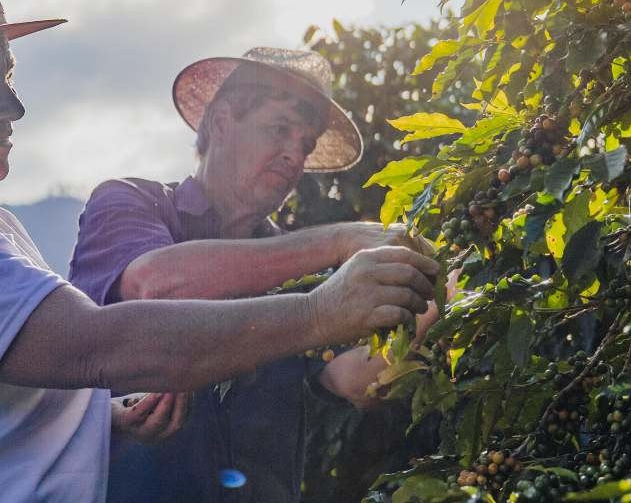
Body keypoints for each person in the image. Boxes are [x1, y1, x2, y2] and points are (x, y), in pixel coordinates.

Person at [0, 0, 438, 503]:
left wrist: (109, 424)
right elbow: (93, 345)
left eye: (7, 79)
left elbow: (1, 407)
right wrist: (323, 306)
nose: (13, 106)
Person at [69, 47, 439, 503]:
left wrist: (437, 293)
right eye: (279, 129)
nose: (294, 156)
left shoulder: (296, 268)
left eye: (304, 144)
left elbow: (352, 379)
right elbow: (155, 282)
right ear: (222, 121)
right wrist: (338, 239)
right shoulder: (131, 202)